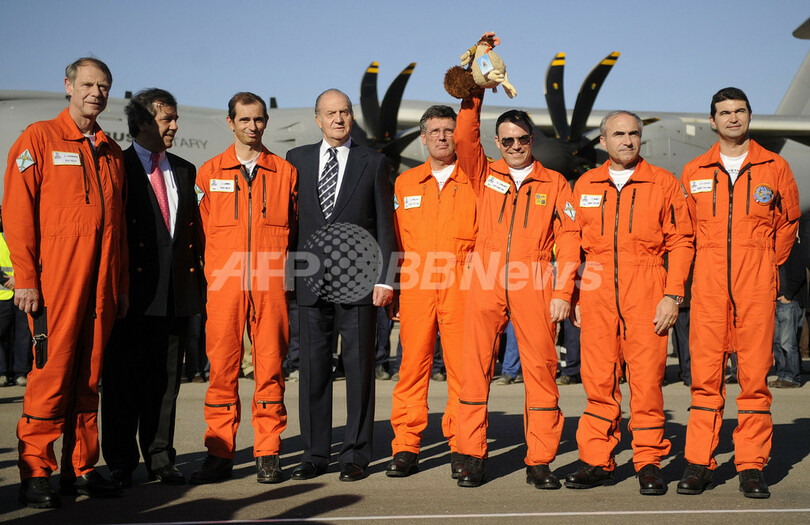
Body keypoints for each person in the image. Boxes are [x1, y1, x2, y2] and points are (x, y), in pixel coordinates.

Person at [453, 34, 579, 489]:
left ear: (532, 139)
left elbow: (570, 240)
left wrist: (563, 292)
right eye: (506, 140)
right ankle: (471, 455)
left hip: (535, 278)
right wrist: (476, 87)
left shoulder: (555, 183)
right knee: (474, 371)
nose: (515, 145)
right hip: (486, 276)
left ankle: (539, 460)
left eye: (522, 139)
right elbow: (464, 136)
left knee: (541, 371)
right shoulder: (482, 172)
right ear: (498, 142)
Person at [3, 57, 128, 508]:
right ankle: (37, 471)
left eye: (104, 86)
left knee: (89, 379)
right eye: (88, 84)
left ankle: (81, 467)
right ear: (69, 86)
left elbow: (118, 229)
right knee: (50, 376)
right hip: (55, 285)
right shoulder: (39, 138)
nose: (96, 93)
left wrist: (120, 286)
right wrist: (26, 278)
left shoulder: (111, 152)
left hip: (101, 288)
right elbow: (17, 213)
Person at [678, 87, 800, 499]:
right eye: (725, 112)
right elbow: (685, 232)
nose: (733, 118)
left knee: (754, 378)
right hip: (709, 285)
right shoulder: (694, 170)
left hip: (755, 284)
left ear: (749, 115)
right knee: (704, 377)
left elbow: (789, 222)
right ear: (712, 121)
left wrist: (766, 261)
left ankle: (751, 465)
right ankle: (699, 462)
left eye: (740, 111)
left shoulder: (775, 167)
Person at [566, 110, 693, 495]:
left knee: (647, 382)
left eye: (633, 134)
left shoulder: (663, 183)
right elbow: (572, 241)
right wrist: (574, 292)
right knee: (598, 382)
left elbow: (682, 241)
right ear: (603, 141)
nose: (627, 140)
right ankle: (596, 460)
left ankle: (648, 461)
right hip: (597, 289)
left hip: (648, 286)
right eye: (618, 134)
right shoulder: (586, 183)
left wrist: (672, 295)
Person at [286, 88, 395, 482]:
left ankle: (355, 454)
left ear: (352, 117)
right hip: (310, 282)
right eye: (330, 113)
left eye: (344, 112)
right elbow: (290, 222)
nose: (338, 119)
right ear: (317, 119)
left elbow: (386, 223)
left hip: (360, 282)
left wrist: (386, 279)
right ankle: (314, 454)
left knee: (360, 369)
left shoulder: (374, 161)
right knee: (312, 371)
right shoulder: (296, 159)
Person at [192, 92, 298, 485]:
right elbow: (198, 232)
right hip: (224, 286)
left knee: (270, 368)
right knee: (222, 368)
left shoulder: (285, 173)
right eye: (244, 120)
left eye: (259, 120)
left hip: (270, 285)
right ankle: (219, 452)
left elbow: (296, 230)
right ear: (230, 122)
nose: (252, 127)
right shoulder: (209, 173)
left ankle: (268, 452)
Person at [100, 88, 203, 488]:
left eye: (175, 118)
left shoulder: (185, 170)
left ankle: (161, 458)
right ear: (143, 123)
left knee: (166, 385)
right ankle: (121, 461)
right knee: (122, 382)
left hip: (176, 295)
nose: (175, 125)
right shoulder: (117, 167)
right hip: (130, 295)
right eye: (167, 119)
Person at [386, 105, 477, 478]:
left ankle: (462, 446)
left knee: (463, 372)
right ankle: (406, 447)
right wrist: (393, 287)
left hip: (462, 285)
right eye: (434, 131)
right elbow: (394, 240)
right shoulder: (405, 183)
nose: (442, 136)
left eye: (448, 130)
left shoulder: (475, 179)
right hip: (416, 287)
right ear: (423, 138)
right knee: (411, 369)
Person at [0, 210, 33, 387]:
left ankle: (21, 372)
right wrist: (6, 281)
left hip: (22, 294)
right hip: (3, 296)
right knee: (1, 336)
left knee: (23, 336)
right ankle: (3, 373)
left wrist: (19, 281)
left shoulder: (23, 238)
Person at [770, 233, 806, 388]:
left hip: (789, 301)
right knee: (778, 342)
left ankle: (791, 377)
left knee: (788, 343)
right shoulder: (774, 248)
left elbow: (799, 274)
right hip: (776, 301)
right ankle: (782, 375)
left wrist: (788, 296)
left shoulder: (792, 246)